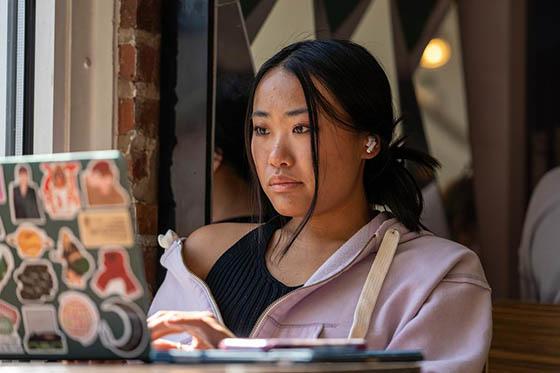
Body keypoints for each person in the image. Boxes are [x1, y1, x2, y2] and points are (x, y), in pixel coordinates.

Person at [148, 40, 491, 372]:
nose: (276, 157)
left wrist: (236, 361)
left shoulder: (436, 277)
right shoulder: (201, 258)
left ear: (368, 141)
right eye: (262, 129)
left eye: (302, 128)